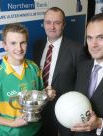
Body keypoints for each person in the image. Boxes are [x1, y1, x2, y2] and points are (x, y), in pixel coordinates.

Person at [0, 23, 56, 136]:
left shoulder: (34, 68)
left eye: (22, 43)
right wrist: (13, 123)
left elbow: (39, 96)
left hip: (35, 131)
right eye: (13, 43)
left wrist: (46, 95)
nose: (19, 48)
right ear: (5, 45)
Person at [33, 7, 88, 136]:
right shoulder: (37, 45)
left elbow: (83, 81)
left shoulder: (77, 49)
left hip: (67, 108)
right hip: (42, 106)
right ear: (43, 24)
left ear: (64, 25)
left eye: (57, 23)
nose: (52, 27)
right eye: (48, 22)